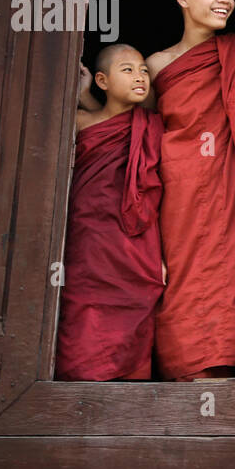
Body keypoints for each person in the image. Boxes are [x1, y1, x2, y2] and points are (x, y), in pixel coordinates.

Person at [147, 0, 235, 381]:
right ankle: (181, 366)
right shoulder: (156, 66)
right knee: (179, 276)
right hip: (177, 186)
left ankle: (219, 370)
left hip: (228, 184)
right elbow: (138, 133)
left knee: (227, 271)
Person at [55, 45, 166, 380]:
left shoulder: (150, 126)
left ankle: (127, 388)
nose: (140, 77)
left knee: (134, 307)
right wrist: (82, 94)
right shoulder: (78, 121)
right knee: (84, 305)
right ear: (102, 80)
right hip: (88, 239)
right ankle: (79, 381)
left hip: (135, 242)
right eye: (128, 70)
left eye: (144, 70)